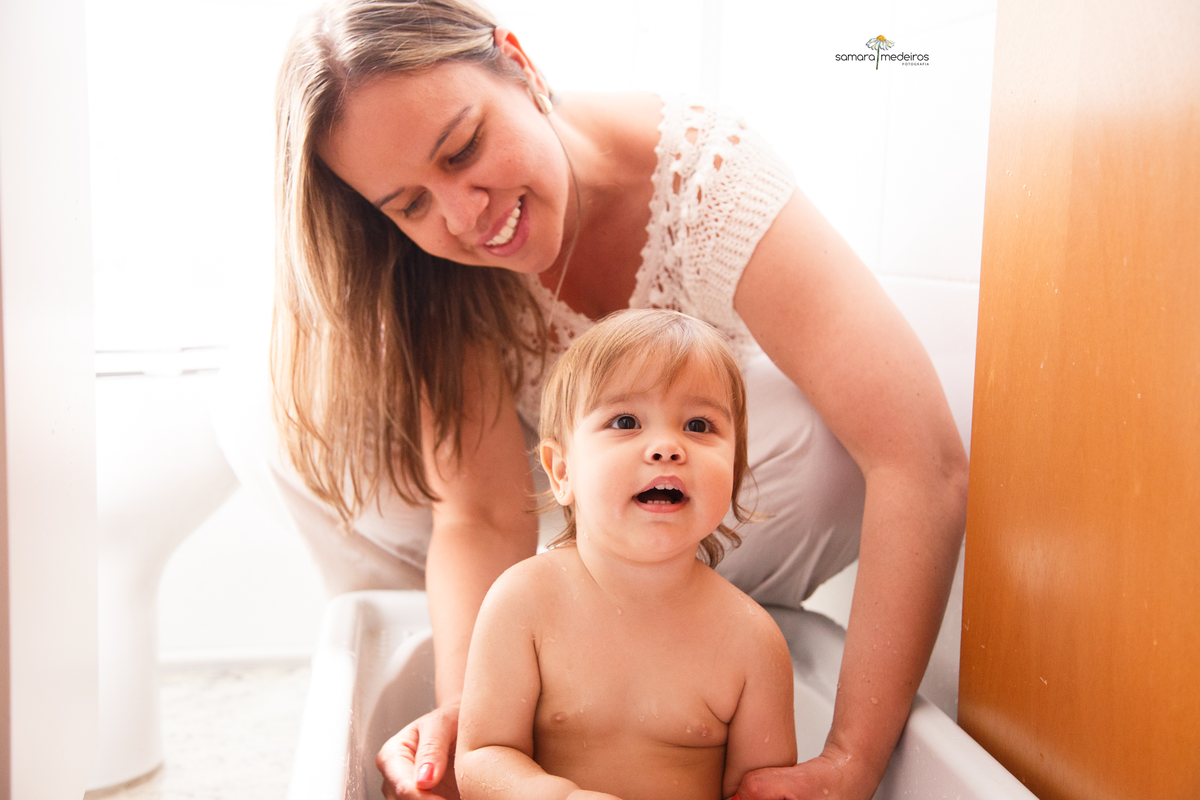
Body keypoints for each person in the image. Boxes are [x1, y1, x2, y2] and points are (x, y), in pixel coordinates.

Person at [270, 1, 970, 798]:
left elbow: (921, 461)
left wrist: (852, 759)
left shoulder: (708, 181)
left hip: (673, 519)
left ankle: (661, 643)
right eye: (410, 204)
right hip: (558, 516)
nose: (465, 216)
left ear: (520, 64)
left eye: (463, 149)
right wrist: (469, 706)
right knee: (305, 433)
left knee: (826, 456)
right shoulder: (433, 271)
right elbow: (481, 511)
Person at [455, 309, 797, 800]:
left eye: (698, 425)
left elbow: (765, 790)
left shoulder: (752, 642)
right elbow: (480, 759)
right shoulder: (524, 603)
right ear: (562, 471)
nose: (667, 447)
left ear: (735, 470)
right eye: (626, 421)